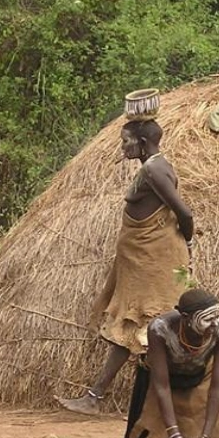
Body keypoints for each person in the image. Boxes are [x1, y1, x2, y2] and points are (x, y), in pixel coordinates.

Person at [56, 110, 194, 416]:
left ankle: (173, 401)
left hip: (155, 260)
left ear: (143, 142)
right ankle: (100, 396)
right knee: (134, 327)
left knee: (150, 326)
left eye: (127, 141)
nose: (123, 148)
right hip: (143, 260)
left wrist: (190, 243)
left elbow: (184, 214)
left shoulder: (155, 171)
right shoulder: (151, 168)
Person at [117, 288, 219, 438]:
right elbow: (162, 386)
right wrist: (175, 436)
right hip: (158, 377)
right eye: (208, 319)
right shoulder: (160, 329)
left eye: (218, 316)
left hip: (197, 376)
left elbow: (217, 387)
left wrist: (206, 437)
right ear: (185, 317)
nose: (216, 323)